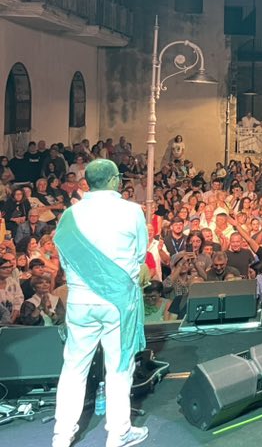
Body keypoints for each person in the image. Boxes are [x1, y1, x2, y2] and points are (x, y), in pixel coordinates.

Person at [52, 158, 148, 447]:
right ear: (114, 180)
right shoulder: (132, 211)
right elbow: (140, 255)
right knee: (118, 367)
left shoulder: (69, 215)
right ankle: (118, 433)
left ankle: (61, 435)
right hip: (117, 302)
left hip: (80, 300)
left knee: (73, 367)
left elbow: (64, 259)